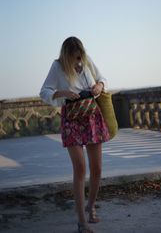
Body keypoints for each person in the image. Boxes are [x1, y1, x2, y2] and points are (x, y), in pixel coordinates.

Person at [40, 36, 110, 233]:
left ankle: (91, 206)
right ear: (67, 56)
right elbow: (44, 91)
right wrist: (62, 93)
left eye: (80, 57)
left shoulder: (86, 60)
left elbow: (102, 78)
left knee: (97, 169)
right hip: (71, 119)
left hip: (92, 116)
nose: (79, 62)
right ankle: (81, 222)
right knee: (80, 168)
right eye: (75, 58)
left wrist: (100, 86)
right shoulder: (57, 66)